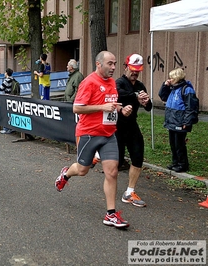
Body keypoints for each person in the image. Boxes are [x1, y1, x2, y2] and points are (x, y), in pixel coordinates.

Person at [54, 51, 133, 228]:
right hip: (89, 134)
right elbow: (77, 108)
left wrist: (121, 109)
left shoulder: (112, 82)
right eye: (110, 64)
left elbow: (111, 104)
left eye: (114, 64)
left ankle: (111, 214)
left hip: (109, 134)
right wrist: (101, 107)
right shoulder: (88, 82)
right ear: (99, 64)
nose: (113, 67)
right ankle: (66, 174)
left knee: (112, 172)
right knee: (82, 170)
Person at [115, 54, 152, 208]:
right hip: (116, 126)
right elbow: (119, 94)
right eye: (133, 69)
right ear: (126, 67)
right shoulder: (119, 82)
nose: (135, 72)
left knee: (137, 156)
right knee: (115, 162)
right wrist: (136, 96)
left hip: (132, 125)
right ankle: (97, 153)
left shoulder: (140, 85)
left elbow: (148, 108)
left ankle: (130, 192)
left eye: (138, 70)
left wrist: (146, 101)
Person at [158, 68, 198, 173]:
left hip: (180, 121)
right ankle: (175, 162)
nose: (170, 80)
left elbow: (190, 107)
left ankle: (182, 164)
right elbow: (162, 96)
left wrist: (187, 122)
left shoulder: (186, 89)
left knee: (179, 144)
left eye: (171, 78)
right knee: (173, 143)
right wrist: (165, 86)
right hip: (172, 120)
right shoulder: (172, 88)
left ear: (177, 78)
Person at [0, 68, 15, 134]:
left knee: (5, 113)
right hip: (13, 97)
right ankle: (12, 128)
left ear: (6, 73)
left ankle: (6, 128)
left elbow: (1, 88)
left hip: (6, 98)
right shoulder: (13, 79)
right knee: (11, 113)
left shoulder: (6, 80)